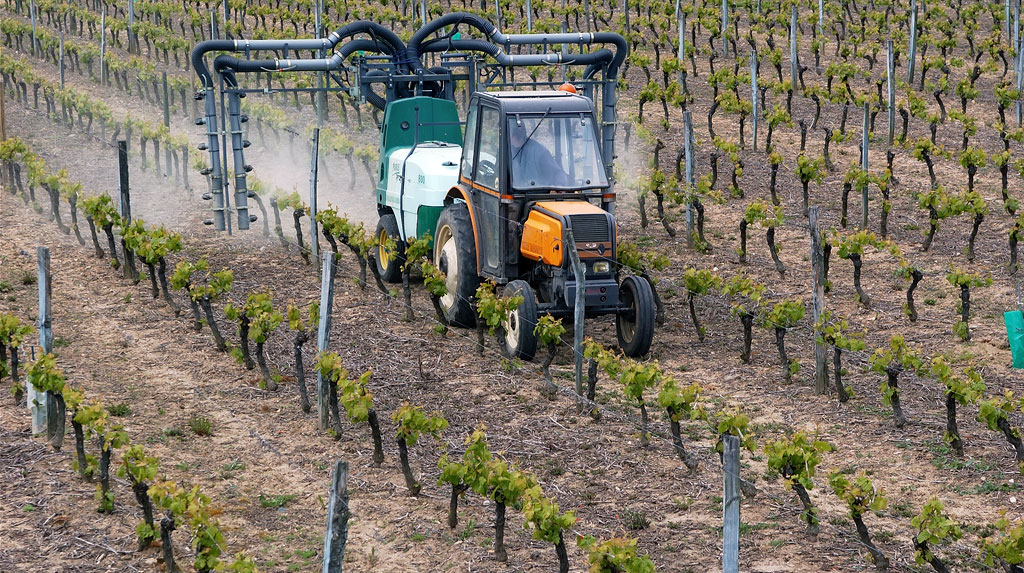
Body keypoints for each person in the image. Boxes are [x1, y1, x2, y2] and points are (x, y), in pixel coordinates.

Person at [508, 122, 569, 189]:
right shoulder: (505, 151)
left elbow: (558, 174)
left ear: (512, 134)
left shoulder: (540, 153)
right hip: (510, 196)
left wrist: (560, 185)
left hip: (534, 196)